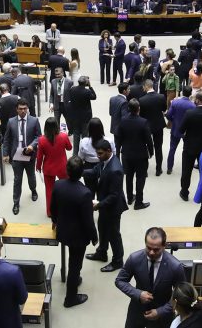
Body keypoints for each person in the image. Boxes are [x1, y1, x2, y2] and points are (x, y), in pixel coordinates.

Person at [50, 156, 98, 307]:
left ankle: (74, 279)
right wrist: (94, 236)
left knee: (73, 263)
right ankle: (70, 298)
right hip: (78, 236)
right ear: (82, 172)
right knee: (75, 265)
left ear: (67, 170)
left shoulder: (58, 185)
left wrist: (55, 221)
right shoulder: (85, 193)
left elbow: (53, 208)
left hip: (63, 230)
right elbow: (88, 220)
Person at [115, 227, 186, 328]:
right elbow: (120, 280)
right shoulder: (134, 259)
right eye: (148, 248)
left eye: (156, 249)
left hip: (162, 317)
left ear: (164, 246)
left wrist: (161, 311)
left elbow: (182, 295)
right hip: (137, 312)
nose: (151, 252)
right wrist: (138, 294)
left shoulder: (175, 266)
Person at [86, 139, 127, 272]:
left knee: (114, 234)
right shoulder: (104, 161)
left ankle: (118, 261)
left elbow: (114, 196)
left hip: (113, 208)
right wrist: (79, 170)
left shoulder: (115, 170)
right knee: (103, 229)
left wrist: (98, 205)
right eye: (97, 153)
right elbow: (95, 171)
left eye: (101, 153)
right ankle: (102, 253)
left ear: (109, 151)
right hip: (104, 204)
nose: (98, 156)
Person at [2, 98, 42, 215]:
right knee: (17, 179)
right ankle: (16, 202)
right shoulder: (11, 121)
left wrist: (32, 145)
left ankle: (33, 190)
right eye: (20, 109)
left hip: (29, 153)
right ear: (16, 109)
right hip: (17, 154)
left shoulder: (34, 121)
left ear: (27, 109)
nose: (23, 111)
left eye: (25, 109)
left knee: (31, 176)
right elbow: (7, 139)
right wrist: (5, 154)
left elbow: (39, 137)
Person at [118, 99, 154, 210]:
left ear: (128, 108)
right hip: (140, 155)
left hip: (127, 154)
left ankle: (129, 198)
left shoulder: (123, 120)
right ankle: (138, 202)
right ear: (139, 109)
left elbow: (119, 138)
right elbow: (149, 140)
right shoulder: (143, 122)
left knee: (128, 177)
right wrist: (151, 152)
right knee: (140, 178)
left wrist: (118, 151)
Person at [36, 117, 72, 217]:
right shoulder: (63, 136)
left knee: (49, 191)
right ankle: (65, 209)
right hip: (62, 167)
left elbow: (39, 156)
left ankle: (50, 212)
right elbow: (69, 148)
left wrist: (38, 166)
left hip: (49, 168)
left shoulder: (42, 140)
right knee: (65, 189)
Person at [78, 117, 116, 191]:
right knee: (104, 191)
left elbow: (80, 157)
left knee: (89, 191)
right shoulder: (108, 141)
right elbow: (113, 156)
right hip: (104, 167)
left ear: (89, 129)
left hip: (88, 167)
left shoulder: (84, 141)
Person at [140, 79, 167, 176]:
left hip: (146, 126)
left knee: (145, 147)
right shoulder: (161, 97)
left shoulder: (142, 100)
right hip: (158, 125)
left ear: (146, 86)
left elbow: (141, 115)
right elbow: (164, 109)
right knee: (158, 147)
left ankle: (145, 170)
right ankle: (158, 169)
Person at [166, 86, 195, 176]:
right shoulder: (193, 106)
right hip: (187, 131)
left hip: (175, 129)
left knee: (172, 149)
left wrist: (174, 120)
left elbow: (168, 115)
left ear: (182, 92)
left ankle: (169, 168)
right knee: (186, 151)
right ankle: (185, 169)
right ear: (190, 94)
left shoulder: (175, 102)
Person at [67, 76, 97, 154]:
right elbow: (94, 97)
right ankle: (84, 154)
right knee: (85, 137)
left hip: (75, 117)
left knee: (76, 136)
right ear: (86, 83)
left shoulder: (72, 89)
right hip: (85, 118)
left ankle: (75, 154)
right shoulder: (87, 91)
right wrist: (90, 86)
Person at [109, 81, 130, 151]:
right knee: (123, 149)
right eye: (128, 89)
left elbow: (110, 113)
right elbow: (125, 118)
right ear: (124, 91)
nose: (129, 91)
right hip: (121, 130)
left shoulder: (112, 99)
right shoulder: (124, 102)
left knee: (116, 148)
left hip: (114, 127)